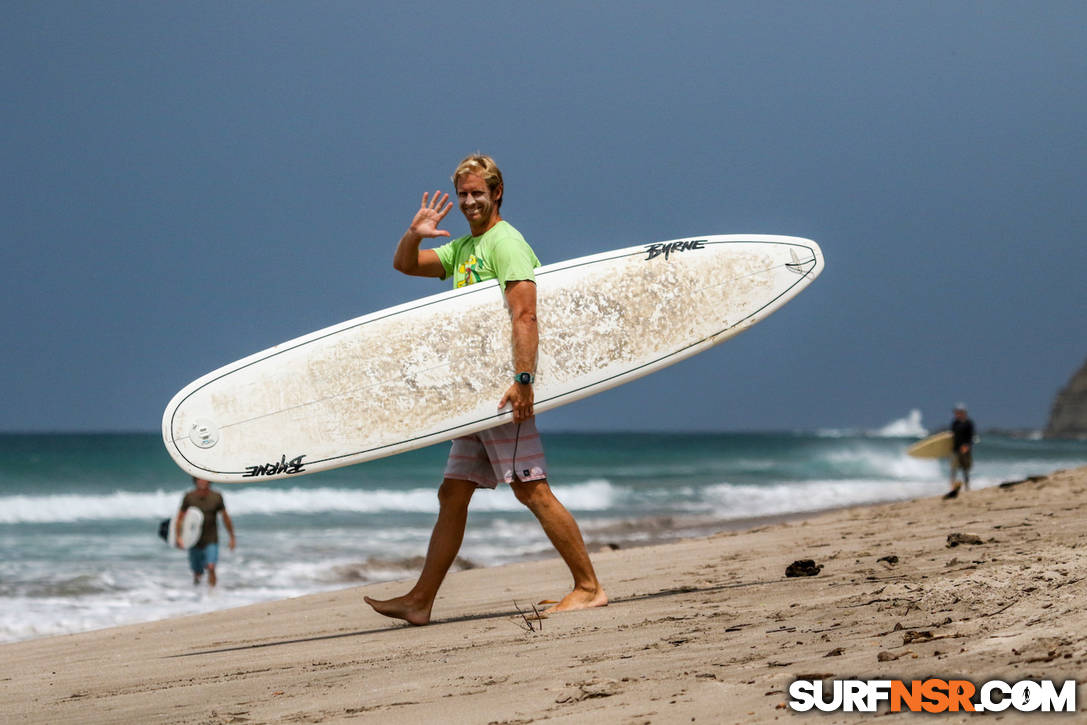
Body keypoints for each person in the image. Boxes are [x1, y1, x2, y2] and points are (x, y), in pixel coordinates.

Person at [364, 154, 608, 625]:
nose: (470, 201)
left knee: (531, 488)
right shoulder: (463, 250)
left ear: (497, 193)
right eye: (464, 194)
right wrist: (414, 232)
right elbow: (405, 265)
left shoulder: (506, 243)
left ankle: (588, 586)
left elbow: (525, 315)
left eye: (478, 192)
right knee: (452, 494)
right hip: (474, 396)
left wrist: (523, 381)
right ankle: (420, 601)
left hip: (505, 390)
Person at [176, 477, 236, 586]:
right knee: (197, 572)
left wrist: (232, 537)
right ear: (195, 481)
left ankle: (212, 595)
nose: (202, 481)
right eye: (199, 479)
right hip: (193, 539)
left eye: (204, 479)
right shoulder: (189, 497)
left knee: (211, 566)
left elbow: (225, 517)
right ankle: (197, 593)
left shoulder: (216, 496)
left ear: (209, 480)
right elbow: (180, 518)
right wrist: (178, 537)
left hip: (211, 538)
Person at [945, 403, 976, 499]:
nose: (957, 414)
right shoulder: (955, 423)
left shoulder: (969, 423)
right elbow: (952, 436)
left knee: (965, 469)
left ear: (964, 413)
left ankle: (967, 487)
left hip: (965, 450)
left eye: (959, 412)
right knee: (953, 469)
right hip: (955, 450)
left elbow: (971, 438)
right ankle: (952, 488)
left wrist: (967, 446)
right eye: (956, 412)